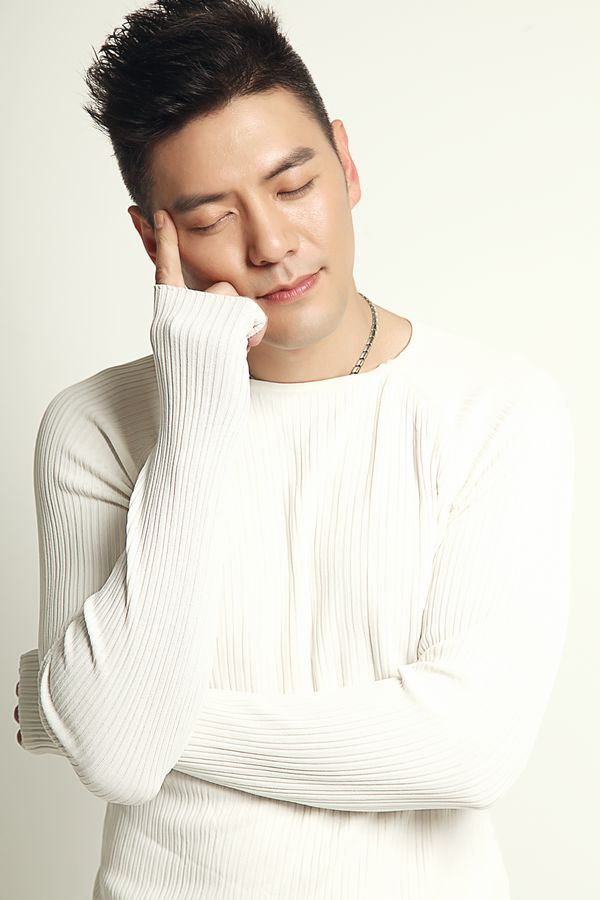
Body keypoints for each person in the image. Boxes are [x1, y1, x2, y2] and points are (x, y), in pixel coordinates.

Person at [14, 1, 575, 898]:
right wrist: (196, 417)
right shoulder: (94, 426)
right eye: (210, 218)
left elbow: (472, 750)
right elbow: (116, 759)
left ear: (346, 163)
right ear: (152, 238)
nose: (272, 244)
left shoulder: (494, 409)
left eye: (293, 185)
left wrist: (86, 710)